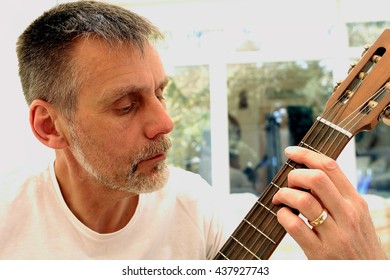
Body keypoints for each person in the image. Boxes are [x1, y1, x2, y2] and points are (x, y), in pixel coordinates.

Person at [0, 1, 386, 260]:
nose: (165, 123)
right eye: (126, 105)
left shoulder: (196, 208)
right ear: (50, 126)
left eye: (160, 93)